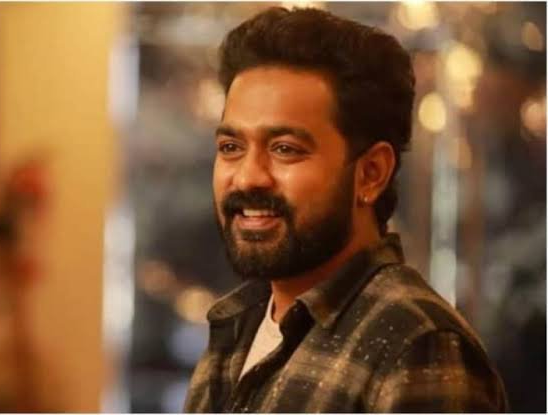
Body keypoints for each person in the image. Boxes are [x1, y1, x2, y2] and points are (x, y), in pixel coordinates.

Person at [183, 7, 508, 413]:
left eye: (285, 149)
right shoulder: (237, 326)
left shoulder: (417, 345)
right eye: (231, 147)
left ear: (371, 173)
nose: (248, 177)